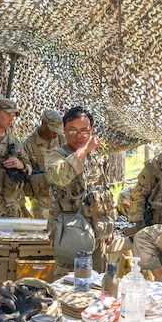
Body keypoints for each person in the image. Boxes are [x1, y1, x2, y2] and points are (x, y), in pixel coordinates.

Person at [45, 106, 116, 277]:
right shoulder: (56, 156)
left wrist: (110, 225)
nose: (79, 136)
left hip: (97, 236)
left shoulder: (96, 159)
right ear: (64, 130)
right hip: (70, 235)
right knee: (68, 287)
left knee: (97, 285)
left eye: (84, 131)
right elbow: (60, 177)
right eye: (73, 131)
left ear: (91, 131)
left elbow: (104, 192)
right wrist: (84, 149)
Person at [21, 109, 66, 219]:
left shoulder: (62, 140)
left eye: (57, 130)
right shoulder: (27, 144)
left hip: (64, 203)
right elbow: (19, 179)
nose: (55, 133)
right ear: (43, 123)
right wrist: (23, 208)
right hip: (41, 206)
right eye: (52, 130)